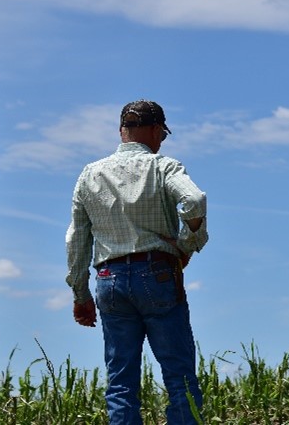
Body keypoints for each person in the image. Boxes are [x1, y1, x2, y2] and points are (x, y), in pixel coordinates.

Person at [65, 100, 208, 425]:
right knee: (179, 376)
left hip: (108, 279)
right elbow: (195, 200)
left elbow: (76, 238)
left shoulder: (91, 173)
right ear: (156, 130)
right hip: (157, 272)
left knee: (121, 382)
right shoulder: (164, 167)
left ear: (122, 131)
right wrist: (187, 244)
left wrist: (80, 294)